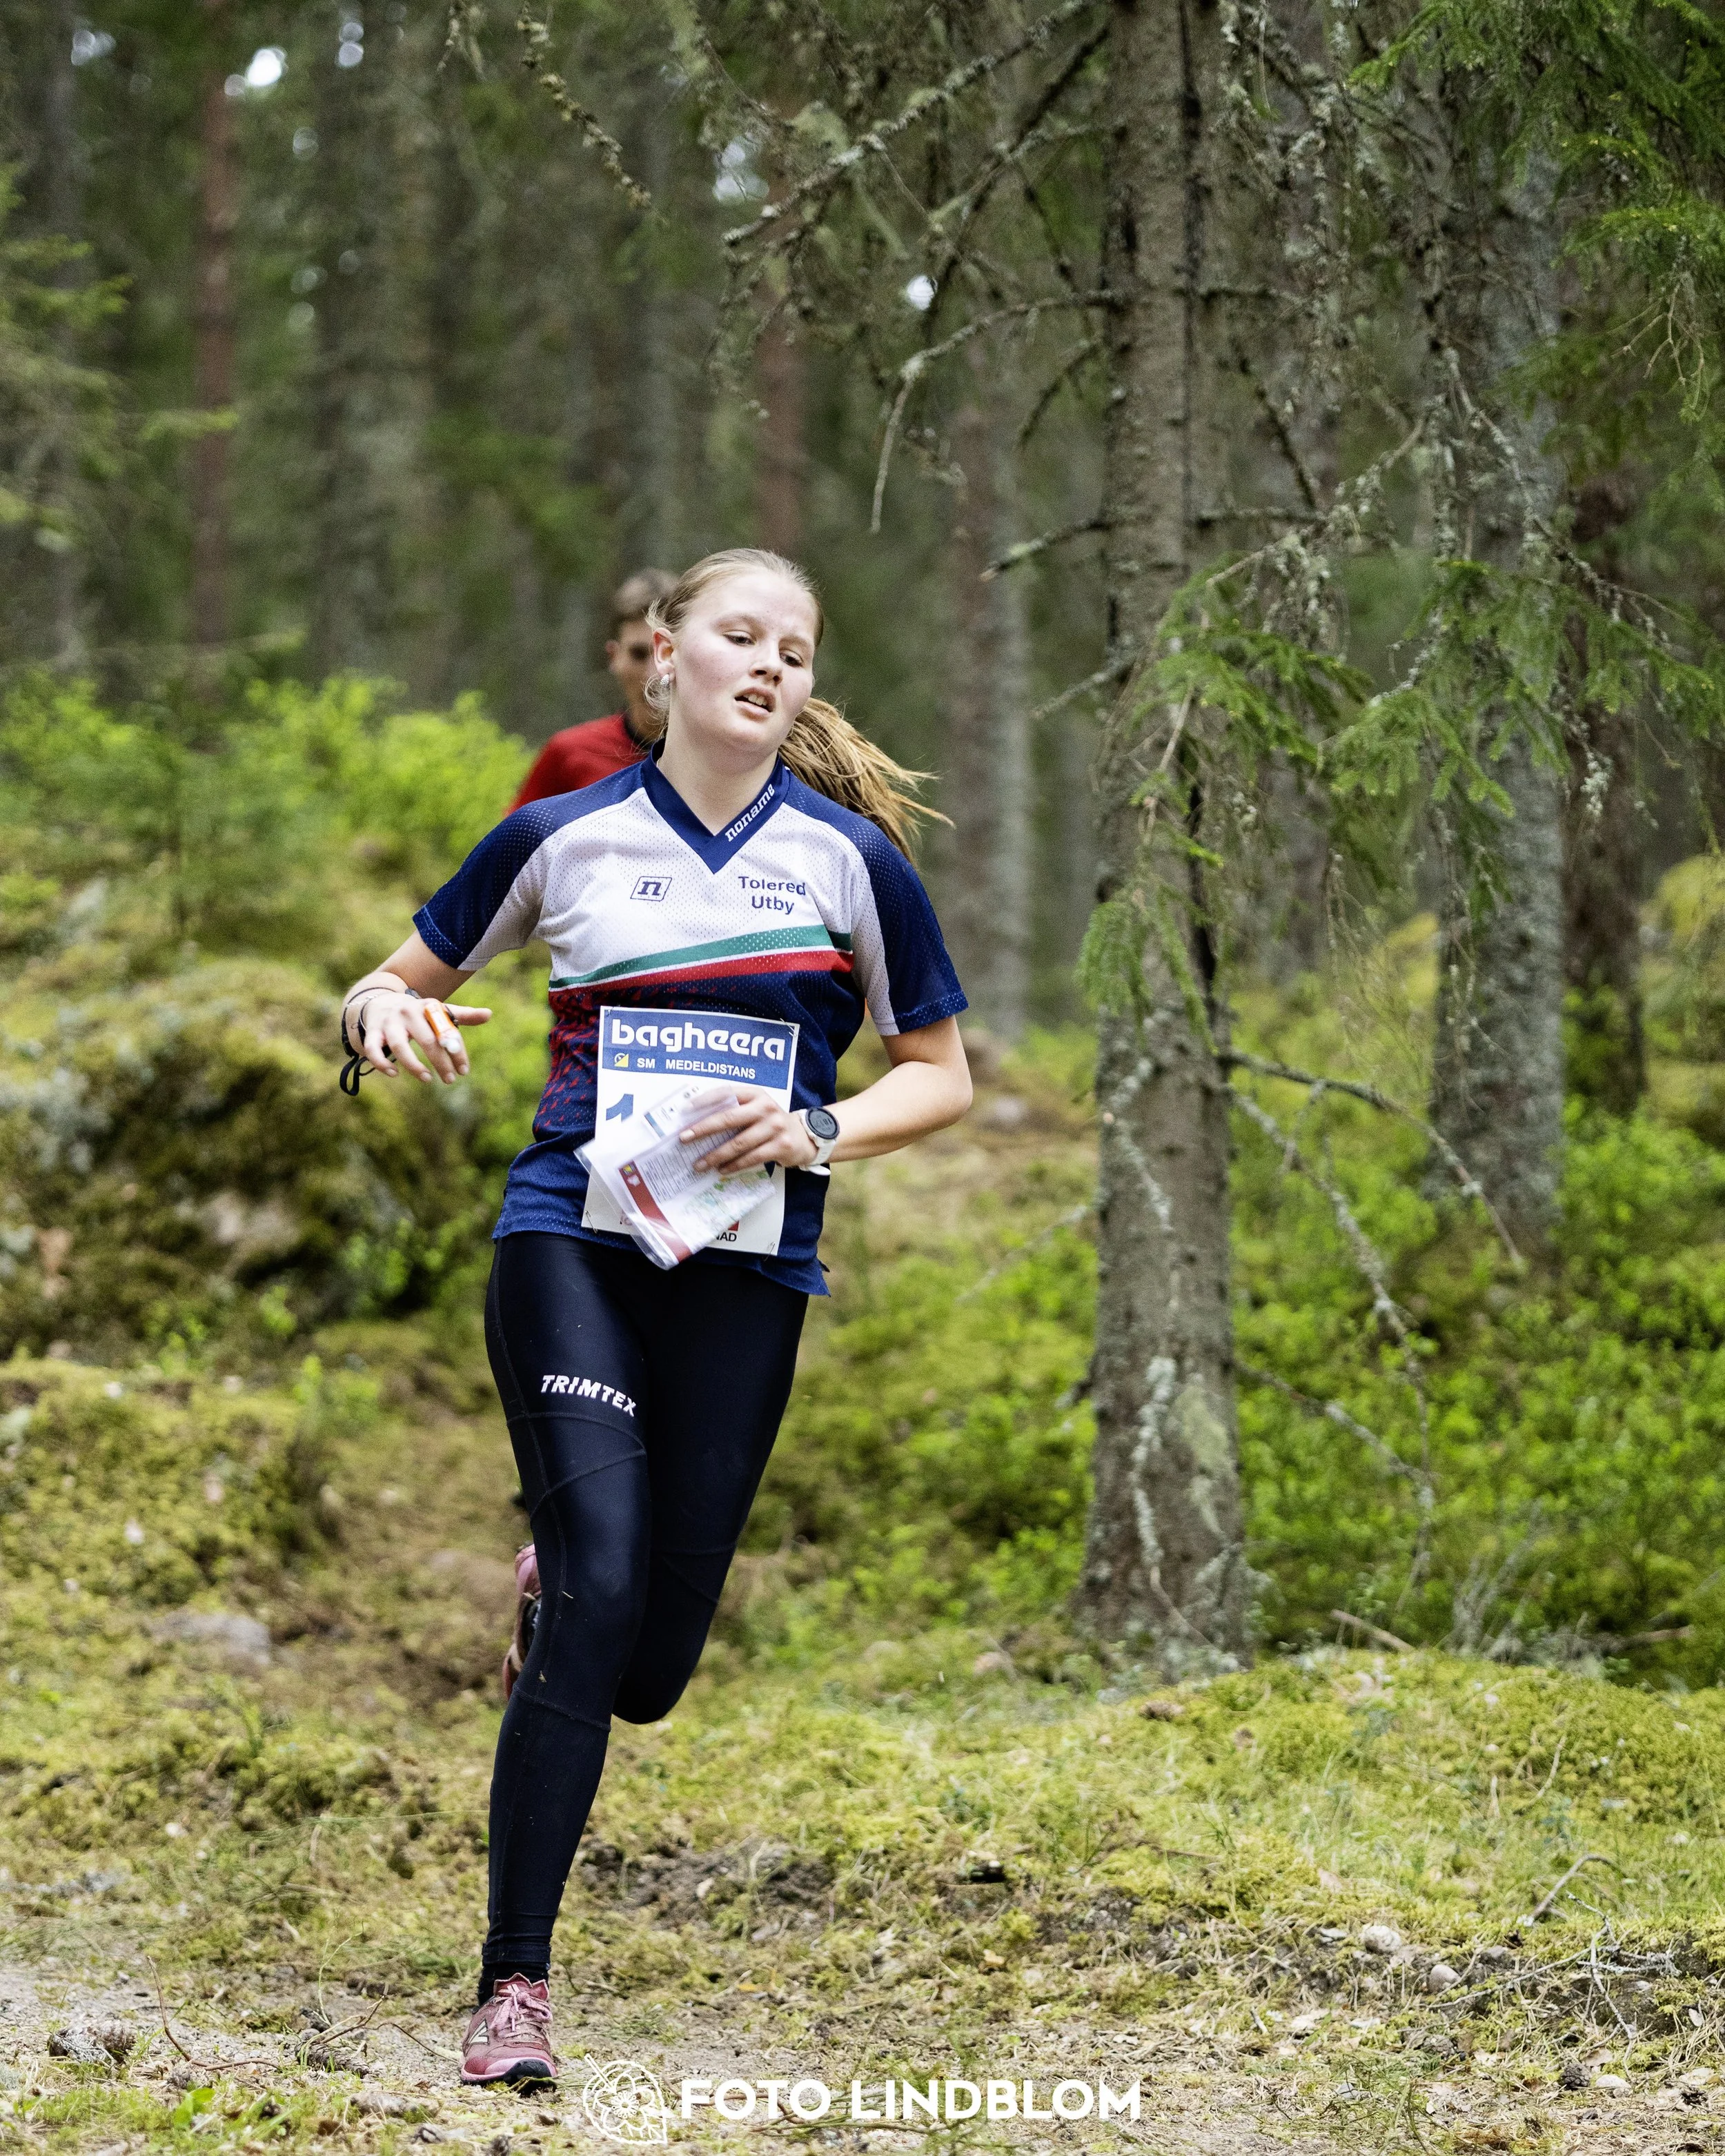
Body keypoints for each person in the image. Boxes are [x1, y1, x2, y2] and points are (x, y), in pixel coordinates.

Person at [337, 548, 972, 2087]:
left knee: (646, 1661)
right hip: (571, 1241)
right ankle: (512, 1989)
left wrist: (820, 1132)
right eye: (739, 635)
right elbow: (379, 985)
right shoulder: (558, 835)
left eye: (797, 649)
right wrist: (386, 1013)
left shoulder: (847, 863)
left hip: (746, 1274)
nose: (770, 665)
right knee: (607, 1583)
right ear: (663, 657)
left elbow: (940, 1070)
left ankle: (567, 1567)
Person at [509, 568, 678, 807]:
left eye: (667, 654)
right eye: (638, 654)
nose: (654, 674)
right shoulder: (569, 755)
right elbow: (517, 843)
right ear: (613, 657)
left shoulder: (724, 760)